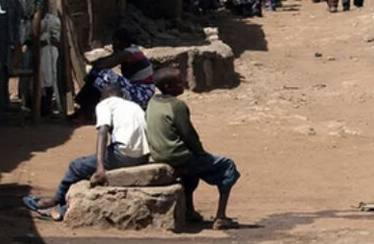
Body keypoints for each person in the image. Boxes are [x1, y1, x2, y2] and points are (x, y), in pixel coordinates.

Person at [23, 83, 149, 221]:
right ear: (122, 95)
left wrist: (100, 166)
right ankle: (62, 208)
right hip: (142, 156)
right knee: (87, 171)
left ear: (102, 98)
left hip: (123, 154)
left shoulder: (105, 104)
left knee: (77, 166)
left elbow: (102, 132)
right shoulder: (134, 106)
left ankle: (55, 201)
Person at [146, 68, 240, 230]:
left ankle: (189, 210)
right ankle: (221, 217)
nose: (185, 83)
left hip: (158, 154)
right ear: (168, 87)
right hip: (177, 156)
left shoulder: (153, 102)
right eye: (179, 81)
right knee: (227, 166)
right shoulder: (176, 106)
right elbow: (189, 135)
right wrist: (201, 153)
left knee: (191, 176)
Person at [73, 27, 156, 113]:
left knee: (105, 74)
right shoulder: (128, 51)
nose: (113, 44)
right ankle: (84, 105)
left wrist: (95, 64)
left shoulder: (129, 53)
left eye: (114, 40)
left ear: (122, 42)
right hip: (136, 89)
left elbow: (103, 64)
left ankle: (86, 108)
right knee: (98, 73)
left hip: (142, 93)